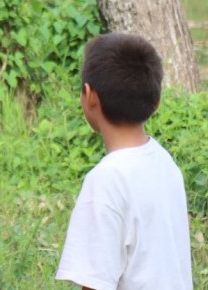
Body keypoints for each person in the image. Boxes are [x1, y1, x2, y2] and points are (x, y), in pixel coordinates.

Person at [56, 33, 192, 289]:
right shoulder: (165, 164)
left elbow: (95, 283)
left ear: (89, 96)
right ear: (157, 102)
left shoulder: (105, 181)